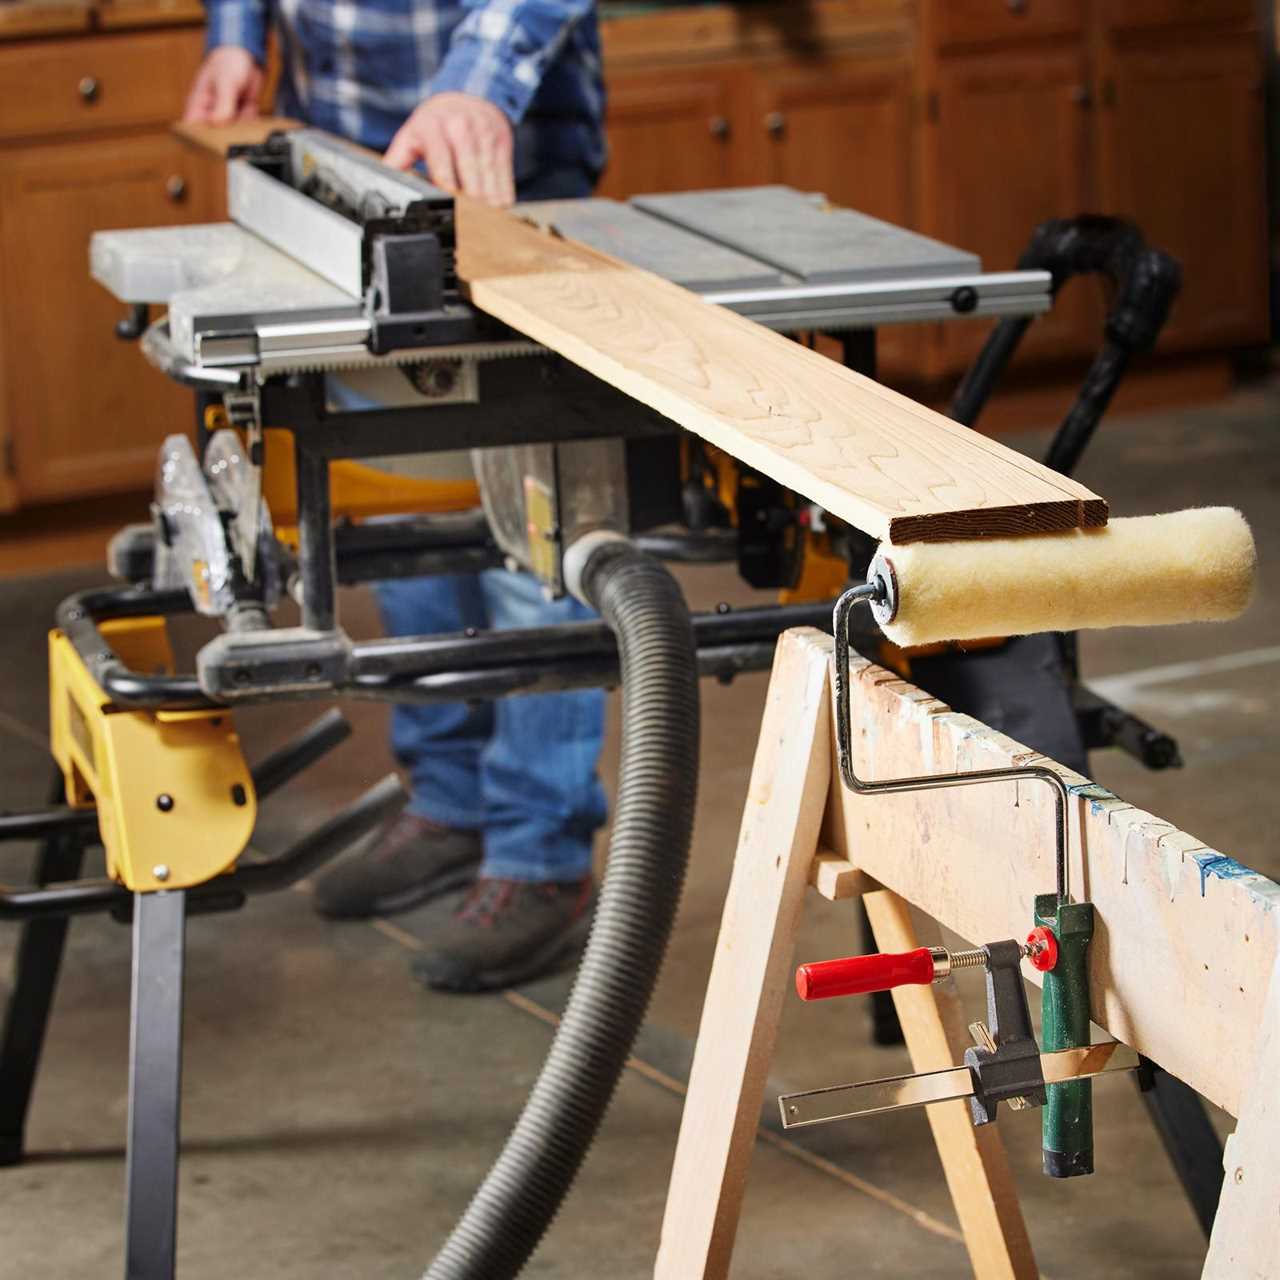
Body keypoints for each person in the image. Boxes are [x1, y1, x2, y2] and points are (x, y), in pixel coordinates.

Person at [184, 0, 609, 993]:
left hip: (499, 160)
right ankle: (451, 800)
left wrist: (477, 81)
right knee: (404, 505)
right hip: (343, 164)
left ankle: (542, 855)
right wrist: (236, 32)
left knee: (527, 538)